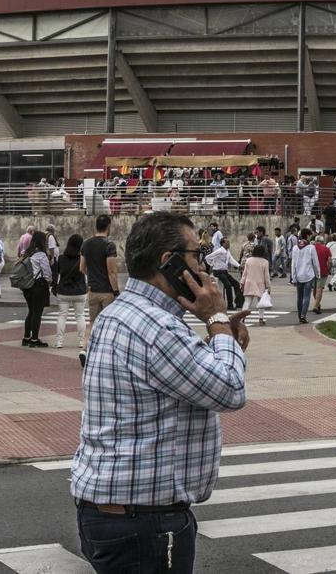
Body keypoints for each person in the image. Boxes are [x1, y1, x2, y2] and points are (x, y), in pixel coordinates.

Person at [71, 212, 250, 574]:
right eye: (196, 254)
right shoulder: (156, 326)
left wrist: (222, 341)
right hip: (144, 521)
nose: (203, 266)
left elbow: (176, 375)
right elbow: (230, 390)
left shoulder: (121, 313)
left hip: (116, 512)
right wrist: (216, 321)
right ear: (168, 262)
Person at [82, 216, 121, 359]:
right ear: (108, 227)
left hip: (92, 289)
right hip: (107, 291)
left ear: (96, 226)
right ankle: (106, 353)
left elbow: (82, 268)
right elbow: (112, 271)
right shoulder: (109, 245)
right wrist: (116, 291)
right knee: (109, 323)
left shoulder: (86, 244)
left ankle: (84, 348)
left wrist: (92, 277)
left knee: (92, 322)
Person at [54, 235, 90, 350]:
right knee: (80, 316)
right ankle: (81, 341)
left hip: (63, 291)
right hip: (79, 291)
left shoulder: (61, 258)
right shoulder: (82, 258)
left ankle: (59, 341)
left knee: (62, 316)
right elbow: (86, 274)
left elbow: (57, 274)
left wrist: (54, 288)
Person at [17, 234, 54, 348]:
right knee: (37, 313)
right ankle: (34, 339)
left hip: (27, 286)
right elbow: (47, 272)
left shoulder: (27, 253)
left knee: (31, 311)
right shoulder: (41, 255)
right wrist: (49, 281)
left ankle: (26, 337)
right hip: (38, 285)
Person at [290, 229, 319, 324]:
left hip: (298, 275)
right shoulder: (311, 247)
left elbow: (293, 264)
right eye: (310, 235)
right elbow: (315, 262)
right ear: (307, 235)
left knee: (299, 297)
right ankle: (303, 315)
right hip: (308, 275)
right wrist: (318, 273)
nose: (311, 237)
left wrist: (293, 277)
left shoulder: (295, 248)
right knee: (306, 296)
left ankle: (299, 315)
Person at [240, 244, 272, 325]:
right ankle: (261, 319)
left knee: (247, 302)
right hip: (260, 284)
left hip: (249, 283)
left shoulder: (248, 260)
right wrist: (268, 287)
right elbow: (266, 276)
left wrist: (242, 283)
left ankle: (242, 319)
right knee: (261, 303)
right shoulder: (265, 262)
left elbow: (245, 273)